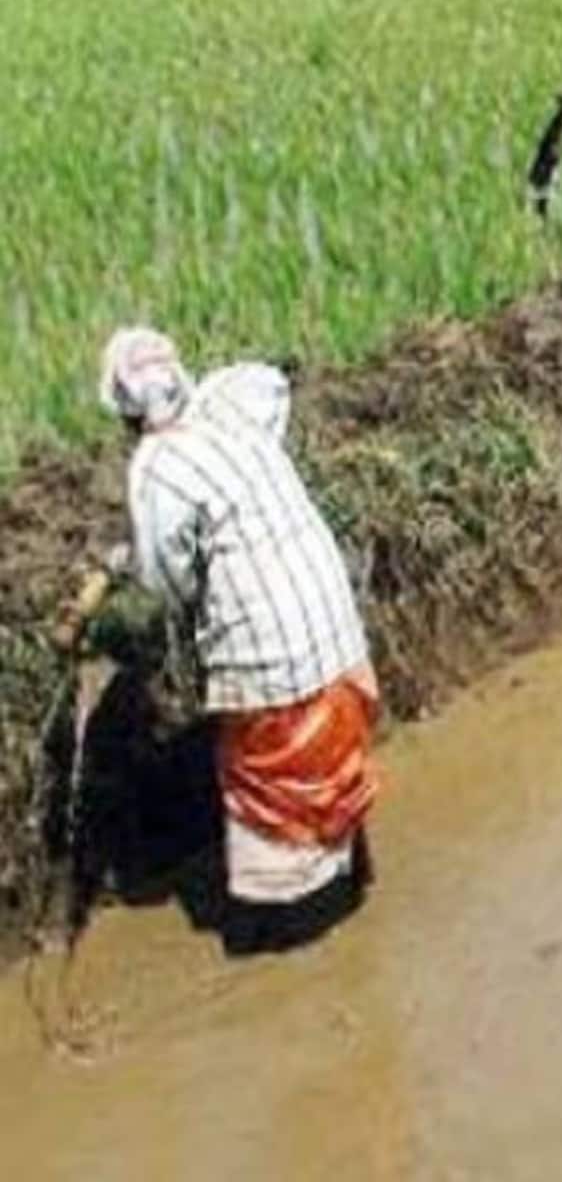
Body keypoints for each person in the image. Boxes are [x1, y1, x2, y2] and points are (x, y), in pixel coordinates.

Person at [97, 329, 378, 955]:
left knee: (268, 778)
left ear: (125, 411)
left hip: (270, 657)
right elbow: (271, 382)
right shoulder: (231, 406)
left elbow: (168, 582)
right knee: (327, 755)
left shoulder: (157, 467)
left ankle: (296, 935)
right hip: (335, 626)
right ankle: (344, 876)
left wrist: (146, 572)